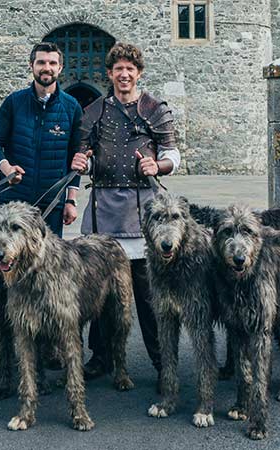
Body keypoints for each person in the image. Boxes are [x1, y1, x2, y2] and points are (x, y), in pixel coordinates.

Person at [70, 43, 180, 381]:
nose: (124, 74)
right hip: (103, 210)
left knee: (147, 296)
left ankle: (164, 364)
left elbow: (173, 154)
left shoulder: (154, 108)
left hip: (142, 212)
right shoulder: (95, 111)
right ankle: (101, 357)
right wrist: (80, 162)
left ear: (139, 73)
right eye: (118, 68)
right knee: (100, 293)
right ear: (110, 73)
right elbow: (82, 152)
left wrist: (156, 165)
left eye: (130, 69)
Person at [0, 42, 82, 237]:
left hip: (52, 203)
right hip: (13, 201)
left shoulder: (72, 107)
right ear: (31, 65)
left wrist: (71, 201)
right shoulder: (13, 103)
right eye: (41, 62)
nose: (46, 68)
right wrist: (7, 169)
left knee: (49, 264)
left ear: (60, 68)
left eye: (52, 63)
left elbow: (76, 157)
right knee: (7, 260)